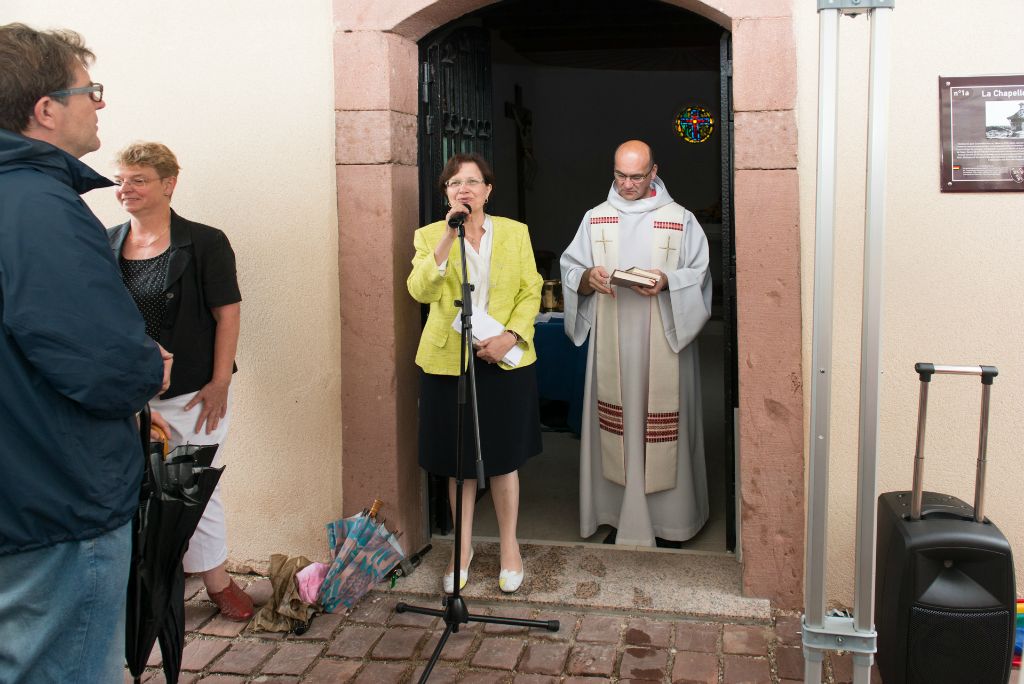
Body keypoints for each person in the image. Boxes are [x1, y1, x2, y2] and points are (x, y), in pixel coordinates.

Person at [0, 24, 170, 682]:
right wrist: (147, 364)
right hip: (54, 499)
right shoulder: (39, 206)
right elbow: (105, 366)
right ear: (46, 109)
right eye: (88, 91)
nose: (100, 104)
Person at [107, 142, 251, 621]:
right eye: (120, 180)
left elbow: (227, 314)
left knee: (190, 485)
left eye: (138, 179)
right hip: (127, 394)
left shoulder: (205, 242)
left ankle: (217, 583)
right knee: (136, 489)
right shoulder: (105, 243)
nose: (125, 189)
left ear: (169, 184)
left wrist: (219, 382)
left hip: (193, 393)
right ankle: (151, 580)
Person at [560, 140, 712, 548]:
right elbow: (571, 268)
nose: (627, 184)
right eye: (620, 175)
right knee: (618, 425)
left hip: (664, 335)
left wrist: (668, 281)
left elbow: (699, 274)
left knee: (661, 424)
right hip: (612, 339)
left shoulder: (680, 220)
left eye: (637, 176)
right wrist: (587, 277)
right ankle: (617, 515)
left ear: (654, 172)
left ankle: (671, 522)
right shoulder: (596, 218)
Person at [407, 152, 543, 594]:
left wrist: (511, 336)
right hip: (449, 362)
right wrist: (448, 237)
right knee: (458, 462)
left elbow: (531, 289)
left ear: (488, 189)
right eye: (454, 183)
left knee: (504, 461)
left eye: (471, 181)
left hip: (502, 357)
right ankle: (461, 550)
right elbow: (420, 290)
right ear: (446, 193)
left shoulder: (516, 233)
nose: (463, 188)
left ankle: (509, 548)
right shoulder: (429, 235)